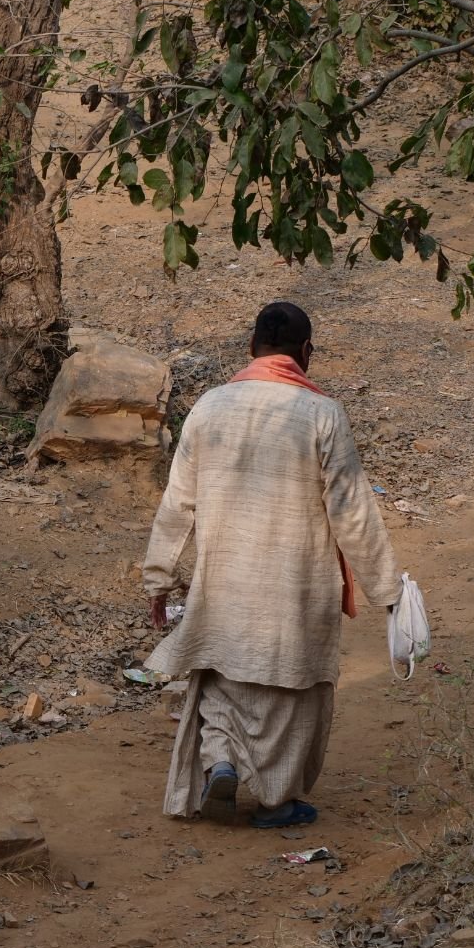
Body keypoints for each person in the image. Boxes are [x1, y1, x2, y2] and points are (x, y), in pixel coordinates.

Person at [142, 302, 401, 828]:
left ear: (250, 347)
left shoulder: (209, 407)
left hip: (223, 585)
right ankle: (275, 800)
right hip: (294, 589)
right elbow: (352, 512)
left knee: (219, 681)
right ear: (305, 353)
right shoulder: (323, 416)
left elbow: (177, 503)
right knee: (289, 692)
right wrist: (388, 590)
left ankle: (220, 763)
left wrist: (160, 578)